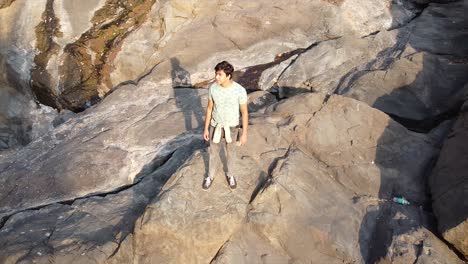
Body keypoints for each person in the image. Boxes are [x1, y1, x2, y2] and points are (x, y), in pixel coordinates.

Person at [203, 61, 248, 189]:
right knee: (213, 152)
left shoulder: (239, 90)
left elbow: (244, 112)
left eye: (219, 75)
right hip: (215, 125)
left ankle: (231, 175)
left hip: (232, 126)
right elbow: (209, 109)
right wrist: (206, 128)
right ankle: (210, 176)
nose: (216, 77)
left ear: (228, 76)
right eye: (216, 74)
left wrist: (244, 133)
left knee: (231, 152)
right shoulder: (213, 88)